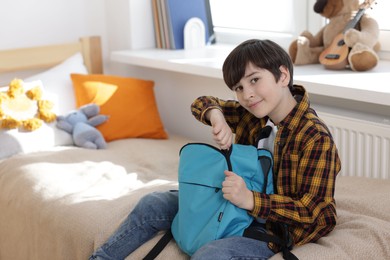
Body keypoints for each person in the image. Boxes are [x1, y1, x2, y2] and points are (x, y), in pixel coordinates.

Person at [89, 39, 341, 260]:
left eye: (254, 80)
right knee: (153, 204)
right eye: (239, 88)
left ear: (283, 76)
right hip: (236, 206)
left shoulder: (314, 138)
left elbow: (312, 212)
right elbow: (202, 102)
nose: (247, 95)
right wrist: (216, 116)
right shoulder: (252, 114)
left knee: (211, 254)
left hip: (274, 227)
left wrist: (250, 199)